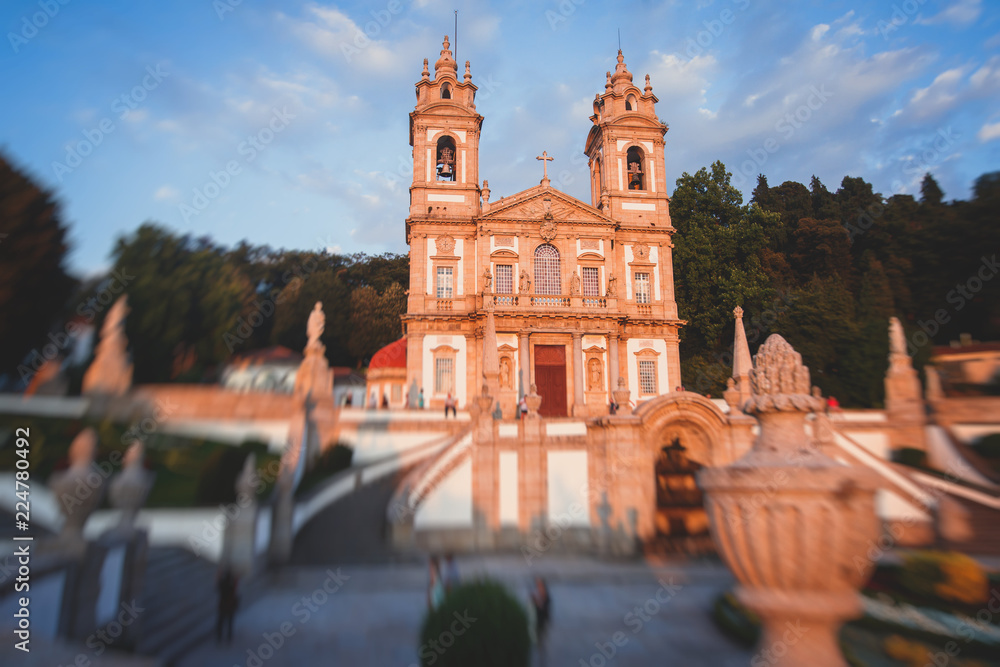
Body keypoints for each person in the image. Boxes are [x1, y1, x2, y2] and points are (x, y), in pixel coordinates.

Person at [216, 566, 239, 644]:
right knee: (229, 622)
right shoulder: (231, 585)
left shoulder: (223, 583)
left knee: (221, 622)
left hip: (223, 604)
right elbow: (235, 587)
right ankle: (228, 638)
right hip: (229, 605)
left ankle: (220, 637)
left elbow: (218, 587)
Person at [531, 576, 551, 665]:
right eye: (537, 585)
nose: (538, 587)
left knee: (541, 641)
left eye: (539, 585)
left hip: (542, 622)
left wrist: (537, 602)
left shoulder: (546, 597)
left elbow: (544, 608)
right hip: (537, 621)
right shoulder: (538, 595)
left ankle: (541, 660)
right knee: (538, 642)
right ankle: (540, 659)